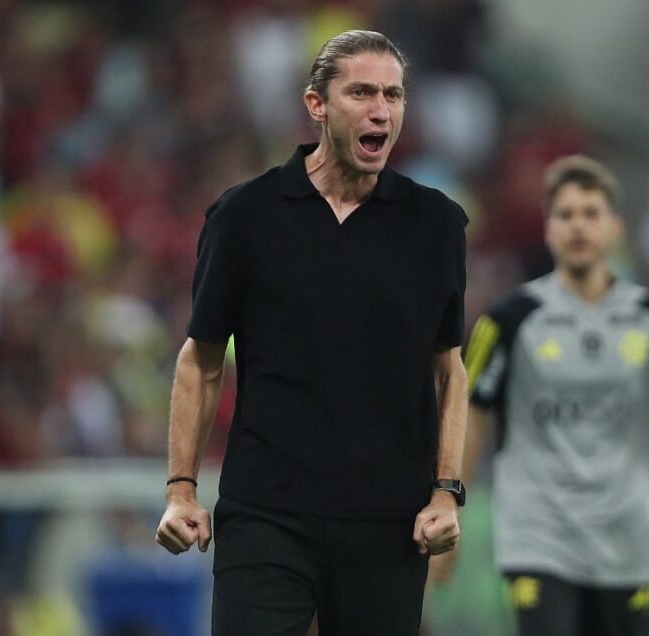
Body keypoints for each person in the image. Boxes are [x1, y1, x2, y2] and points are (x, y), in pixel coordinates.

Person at [155, 30, 469, 636]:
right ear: (316, 105)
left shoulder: (437, 226)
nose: (382, 109)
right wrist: (181, 489)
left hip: (388, 521)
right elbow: (201, 359)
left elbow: (447, 369)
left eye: (394, 95)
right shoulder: (244, 216)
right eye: (362, 92)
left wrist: (445, 492)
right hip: (266, 513)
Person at [430, 155, 649, 636]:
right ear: (549, 230)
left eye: (591, 213)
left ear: (614, 228)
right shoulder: (511, 320)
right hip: (539, 532)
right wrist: (451, 505)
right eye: (565, 214)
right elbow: (471, 414)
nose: (578, 227)